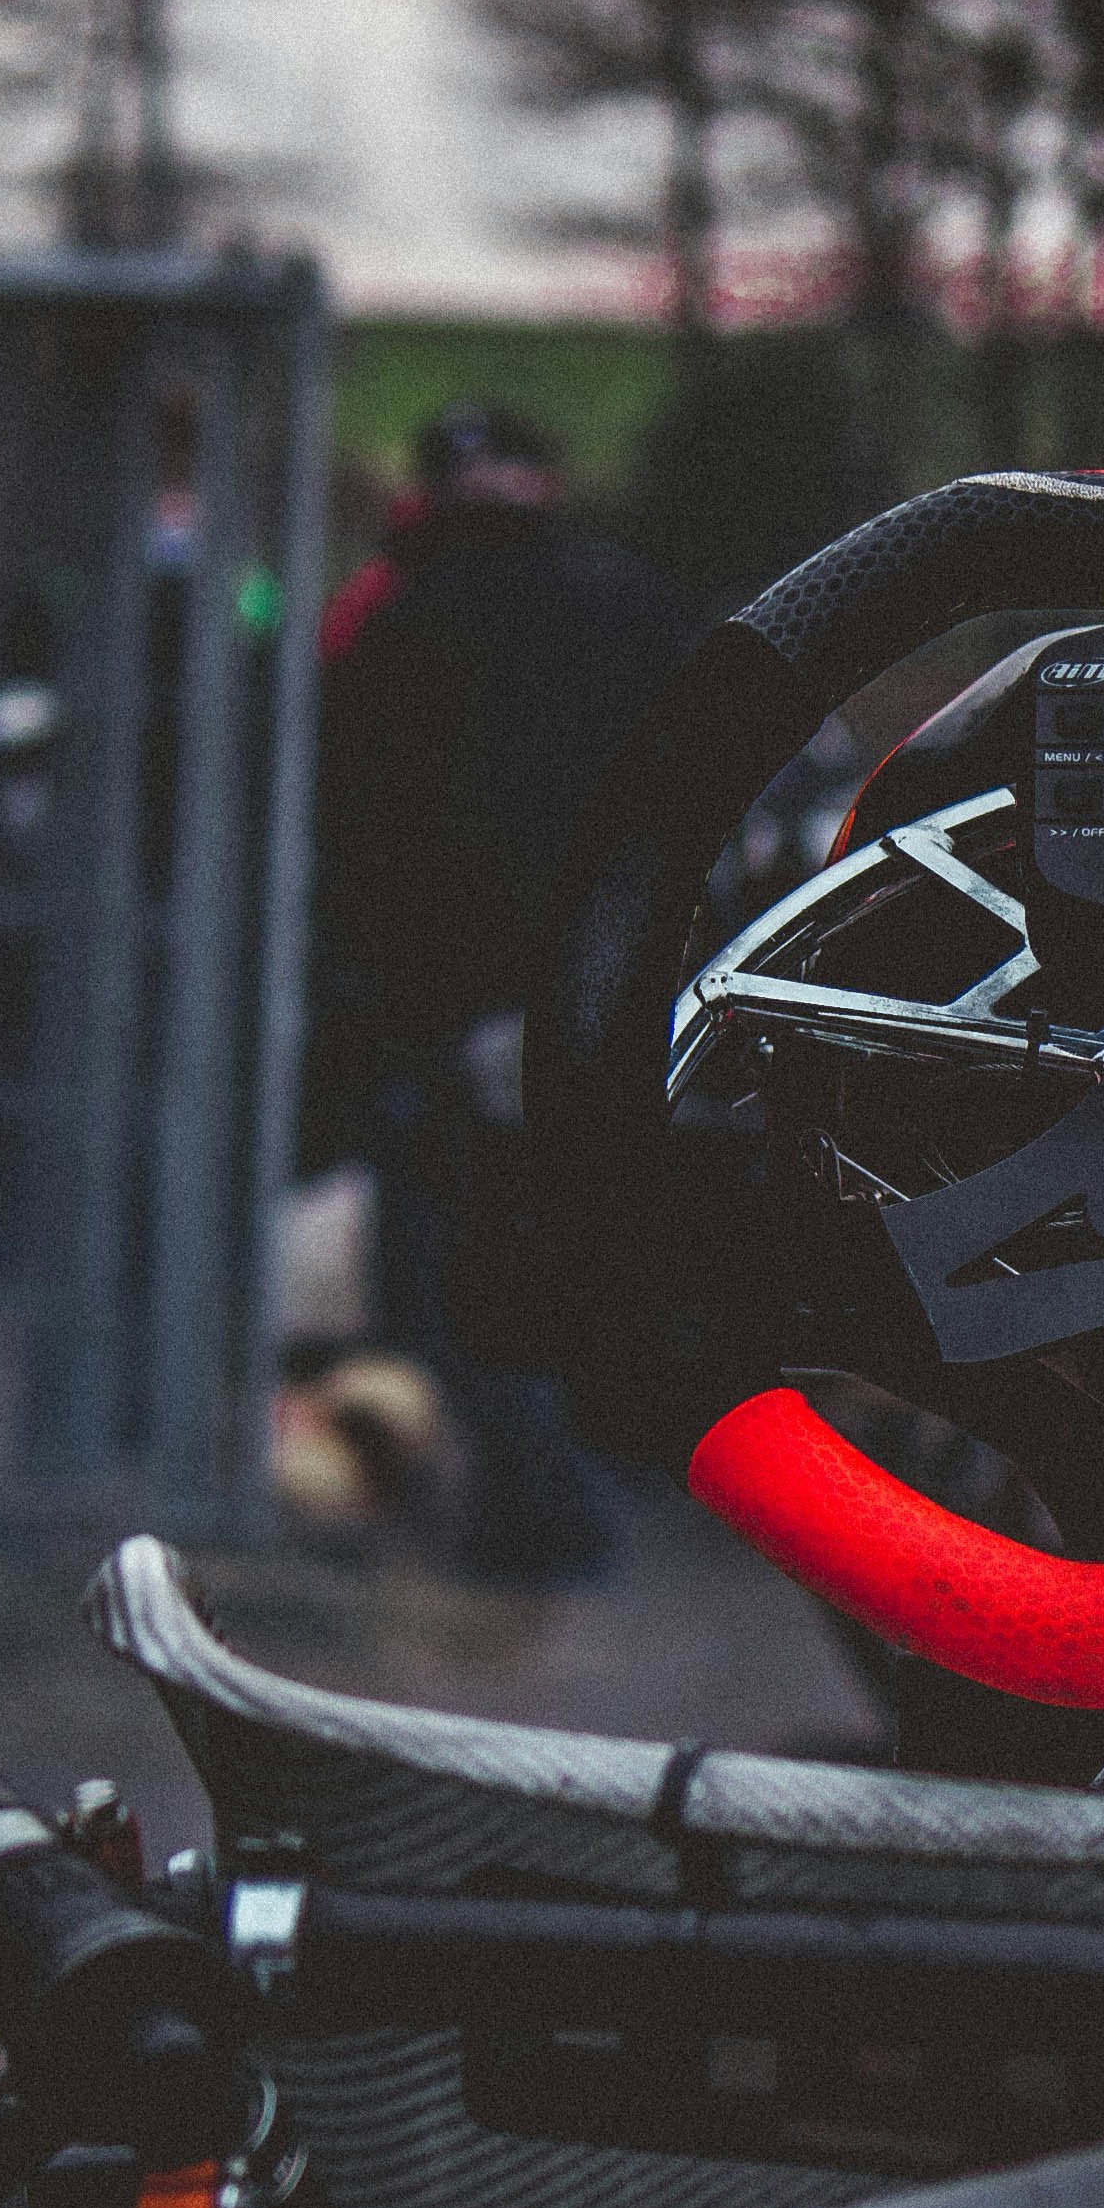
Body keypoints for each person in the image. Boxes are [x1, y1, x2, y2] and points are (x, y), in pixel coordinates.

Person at [314, 400, 698, 1584]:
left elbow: (353, 825)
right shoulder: (631, 603)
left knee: (457, 1249)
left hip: (446, 989)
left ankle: (540, 1504)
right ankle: (614, 1471)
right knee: (596, 1232)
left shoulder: (397, 616)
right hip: (619, 978)